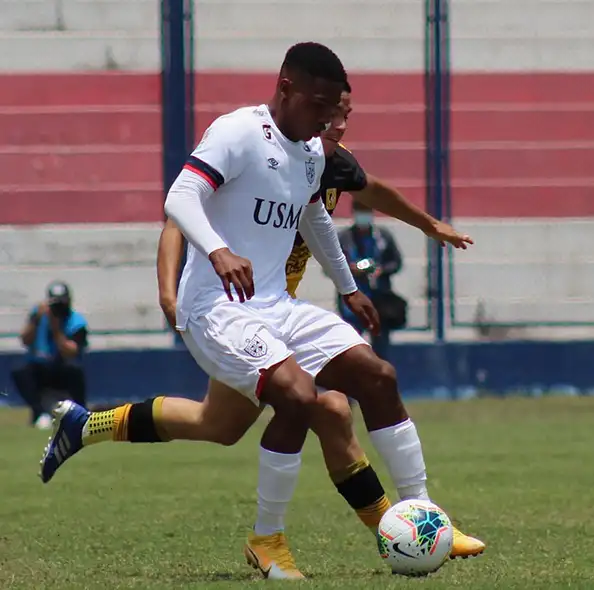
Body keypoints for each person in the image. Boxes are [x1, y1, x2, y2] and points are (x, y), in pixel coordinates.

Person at [39, 71, 484, 578]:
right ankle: (390, 533)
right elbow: (176, 214)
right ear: (298, 97)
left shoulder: (322, 162)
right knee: (326, 409)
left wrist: (402, 244)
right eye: (328, 111)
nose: (335, 123)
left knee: (223, 425)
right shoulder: (246, 140)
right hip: (228, 309)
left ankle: (420, 523)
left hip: (274, 311)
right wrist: (170, 290)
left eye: (344, 116)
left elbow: (363, 195)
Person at [12, 281, 88, 429]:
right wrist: (35, 320)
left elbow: (71, 351)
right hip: (41, 367)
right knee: (20, 371)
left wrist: (56, 328)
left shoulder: (76, 322)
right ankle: (39, 414)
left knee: (75, 370)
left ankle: (81, 414)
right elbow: (25, 340)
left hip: (63, 369)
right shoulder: (39, 317)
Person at [338, 199, 403, 360]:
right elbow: (329, 267)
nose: (363, 216)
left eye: (366, 211)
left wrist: (381, 270)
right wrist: (349, 270)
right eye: (360, 211)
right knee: (352, 349)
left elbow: (396, 262)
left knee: (381, 351)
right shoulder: (343, 238)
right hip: (352, 303)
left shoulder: (383, 236)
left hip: (379, 301)